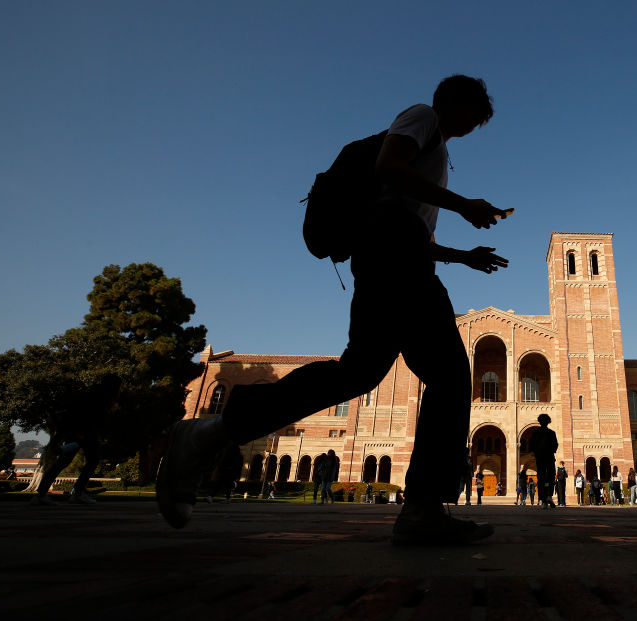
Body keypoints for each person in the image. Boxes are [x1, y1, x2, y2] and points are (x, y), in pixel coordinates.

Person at [156, 75, 508, 545]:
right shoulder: (421, 118)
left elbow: (411, 226)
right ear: (456, 104)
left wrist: (464, 256)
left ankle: (208, 434)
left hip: (395, 255)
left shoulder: (435, 151)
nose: (473, 125)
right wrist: (463, 204)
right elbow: (388, 170)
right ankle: (424, 506)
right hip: (393, 259)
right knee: (448, 374)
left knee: (357, 374)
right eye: (473, 115)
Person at [31, 374, 121, 507]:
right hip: (84, 433)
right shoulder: (99, 398)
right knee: (91, 460)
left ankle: (42, 494)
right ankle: (77, 493)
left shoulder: (94, 395)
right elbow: (90, 417)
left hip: (79, 433)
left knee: (63, 462)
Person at [530, 414, 558, 508]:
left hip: (540, 458)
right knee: (551, 477)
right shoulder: (551, 433)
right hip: (549, 457)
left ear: (540, 422)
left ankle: (543, 500)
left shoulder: (536, 433)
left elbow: (532, 444)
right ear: (548, 422)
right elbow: (555, 445)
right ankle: (549, 496)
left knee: (541, 478)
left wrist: (535, 453)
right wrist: (552, 451)